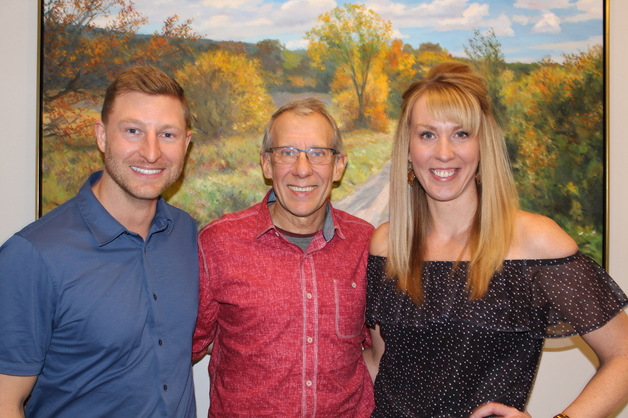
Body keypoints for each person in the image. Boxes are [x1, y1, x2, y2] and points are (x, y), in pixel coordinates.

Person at [363, 62, 628, 418]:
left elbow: (624, 355)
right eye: (427, 134)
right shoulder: (387, 245)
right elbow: (380, 365)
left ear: (482, 144)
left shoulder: (534, 240)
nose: (444, 152)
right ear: (408, 149)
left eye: (461, 133)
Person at [0, 66, 198, 417]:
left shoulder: (185, 234)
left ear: (186, 143)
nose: (151, 153)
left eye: (167, 134)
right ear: (102, 136)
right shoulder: (32, 256)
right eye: (133, 131)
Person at [193, 97, 375, 416]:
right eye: (287, 153)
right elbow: (183, 345)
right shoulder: (218, 243)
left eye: (318, 153)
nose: (302, 170)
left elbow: (389, 350)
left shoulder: (366, 243)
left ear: (339, 165)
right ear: (266, 163)